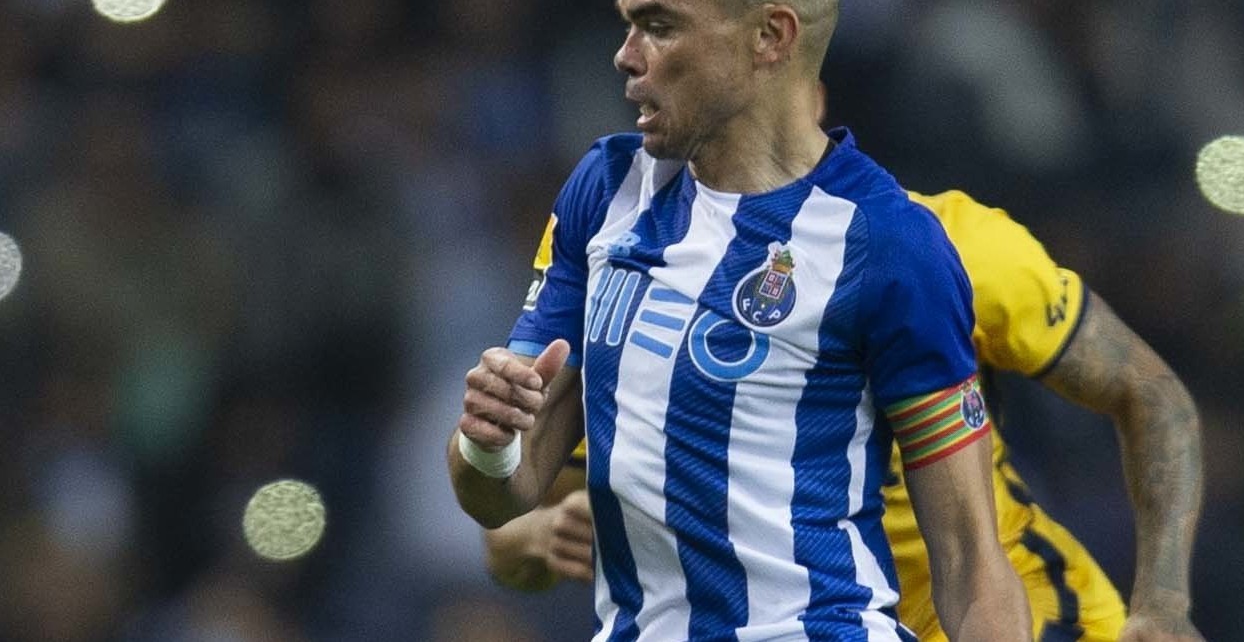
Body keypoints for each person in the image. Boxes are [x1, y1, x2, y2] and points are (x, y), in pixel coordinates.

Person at [447, 0, 1031, 642]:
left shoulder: (887, 244)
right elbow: (504, 493)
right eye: (629, 24)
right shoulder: (606, 189)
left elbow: (970, 561)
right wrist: (488, 440)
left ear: (770, 37)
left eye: (659, 26)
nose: (626, 55)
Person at [483, 190, 1207, 642]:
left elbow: (1150, 391)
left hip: (1020, 609)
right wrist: (541, 537)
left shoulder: (950, 248)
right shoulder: (653, 308)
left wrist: (1164, 604)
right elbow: (505, 533)